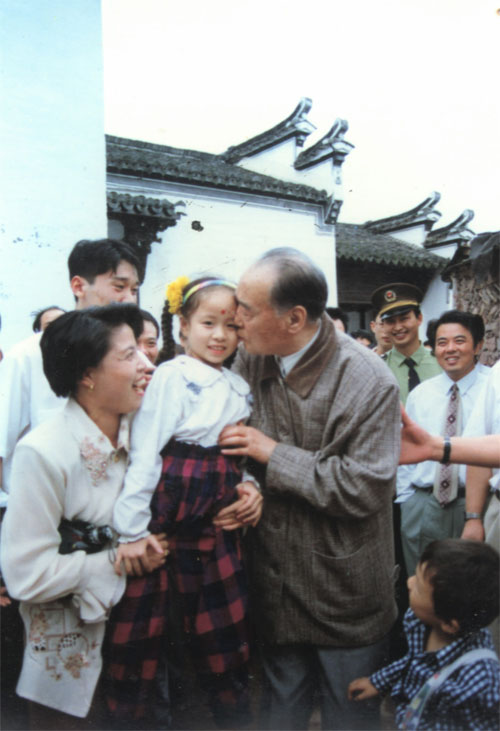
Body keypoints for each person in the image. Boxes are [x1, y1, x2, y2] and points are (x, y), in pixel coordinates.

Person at [218, 247, 400, 730]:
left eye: (247, 310)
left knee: (349, 717)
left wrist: (272, 454)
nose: (235, 320)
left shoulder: (368, 380)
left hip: (344, 593)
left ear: (295, 318)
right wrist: (246, 484)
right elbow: (231, 443)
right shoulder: (250, 359)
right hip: (274, 585)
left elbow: (364, 487)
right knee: (280, 715)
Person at [0, 304, 168, 726]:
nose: (147, 364)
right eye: (129, 355)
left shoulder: (151, 431)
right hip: (72, 659)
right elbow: (26, 575)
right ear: (86, 375)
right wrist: (117, 560)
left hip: (148, 640)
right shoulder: (44, 451)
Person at [107, 276, 263, 728]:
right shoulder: (172, 377)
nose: (220, 336)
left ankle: (226, 714)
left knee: (220, 625)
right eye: (208, 323)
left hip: (217, 518)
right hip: (171, 511)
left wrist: (249, 484)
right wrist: (132, 529)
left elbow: (238, 453)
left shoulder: (238, 385)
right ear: (183, 326)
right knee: (150, 623)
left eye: (231, 326)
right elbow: (146, 451)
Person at [0, 238, 140, 503]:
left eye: (134, 290)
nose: (130, 300)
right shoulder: (28, 356)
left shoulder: (137, 360)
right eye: (119, 287)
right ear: (78, 286)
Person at [348, 539, 500, 730]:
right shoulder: (421, 622)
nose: (409, 582)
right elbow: (413, 661)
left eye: (419, 588)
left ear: (449, 624)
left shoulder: (480, 681)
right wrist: (378, 682)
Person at [397, 310, 488, 575]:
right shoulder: (421, 394)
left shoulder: (492, 389)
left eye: (459, 341)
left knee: (472, 583)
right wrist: (407, 499)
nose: (450, 349)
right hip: (423, 504)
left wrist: (477, 513)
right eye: (441, 342)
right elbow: (407, 447)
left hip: (474, 506)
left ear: (478, 346)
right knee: (421, 581)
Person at [371, 283, 441, 405]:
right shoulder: (378, 369)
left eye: (404, 319)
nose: (398, 327)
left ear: (419, 318)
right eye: (390, 321)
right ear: (383, 325)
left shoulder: (441, 362)